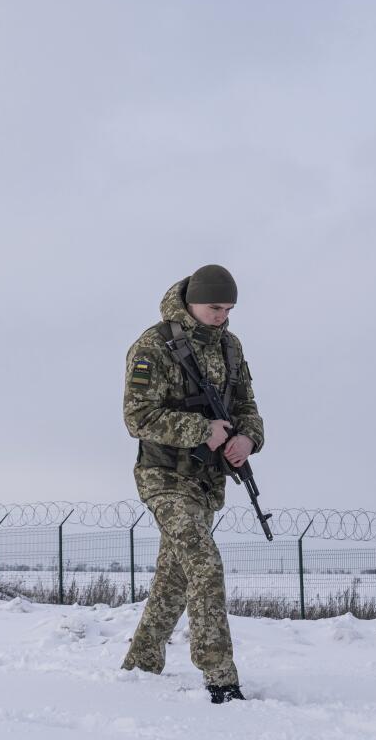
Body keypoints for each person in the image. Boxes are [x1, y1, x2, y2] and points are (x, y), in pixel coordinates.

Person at [119, 264, 265, 704]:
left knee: (174, 579)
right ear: (190, 303)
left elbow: (247, 407)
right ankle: (219, 675)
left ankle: (140, 665)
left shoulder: (231, 347)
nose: (222, 316)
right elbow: (137, 417)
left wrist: (246, 439)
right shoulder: (154, 345)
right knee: (203, 563)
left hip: (206, 482)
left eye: (229, 309)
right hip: (163, 476)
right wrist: (202, 430)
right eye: (214, 307)